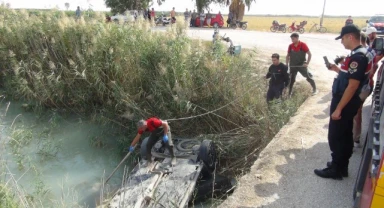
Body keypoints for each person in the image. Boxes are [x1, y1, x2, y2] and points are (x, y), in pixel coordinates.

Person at [314, 25, 370, 180]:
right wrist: (337, 70)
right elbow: (351, 78)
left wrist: (338, 109)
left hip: (345, 100)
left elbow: (352, 86)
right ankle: (341, 165)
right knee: (344, 133)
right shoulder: (360, 54)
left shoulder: (358, 57)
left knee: (336, 135)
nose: (342, 43)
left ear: (350, 37)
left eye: (343, 39)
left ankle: (336, 170)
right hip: (348, 99)